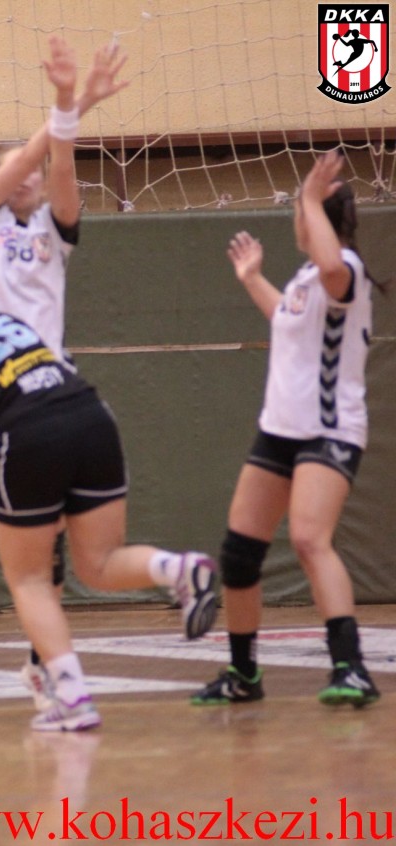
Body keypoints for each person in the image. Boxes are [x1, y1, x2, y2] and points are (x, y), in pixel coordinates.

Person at [0, 262, 216, 731]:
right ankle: (179, 568)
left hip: (28, 435)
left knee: (29, 579)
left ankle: (72, 698)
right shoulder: (4, 321)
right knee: (99, 563)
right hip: (93, 417)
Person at [0, 35, 129, 720]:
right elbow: (24, 159)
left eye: (35, 172)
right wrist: (68, 102)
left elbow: (60, 163)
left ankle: (45, 670)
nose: (27, 176)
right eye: (16, 168)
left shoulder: (55, 228)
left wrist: (71, 113)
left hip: (41, 402)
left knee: (47, 555)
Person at [192, 151, 381, 708]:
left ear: (314, 216)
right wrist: (252, 279)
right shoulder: (305, 279)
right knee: (239, 553)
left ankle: (351, 668)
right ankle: (243, 674)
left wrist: (309, 198)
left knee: (308, 539)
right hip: (280, 429)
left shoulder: (345, 269)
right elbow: (286, 319)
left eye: (300, 209)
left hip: (329, 430)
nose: (295, 217)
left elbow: (332, 266)